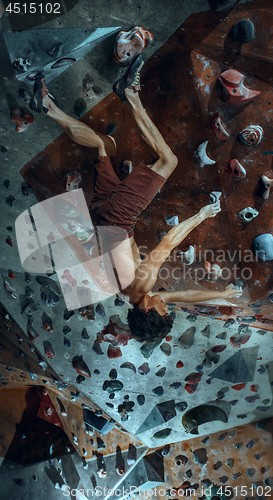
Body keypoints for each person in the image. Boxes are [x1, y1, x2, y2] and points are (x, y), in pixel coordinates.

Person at [29, 57, 242, 342]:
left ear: (147, 310)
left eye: (163, 309)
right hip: (100, 216)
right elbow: (184, 296)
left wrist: (201, 216)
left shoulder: (143, 284)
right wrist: (223, 295)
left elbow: (167, 243)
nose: (166, 304)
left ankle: (130, 93)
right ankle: (49, 108)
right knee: (105, 145)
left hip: (118, 217)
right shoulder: (133, 294)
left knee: (168, 161)